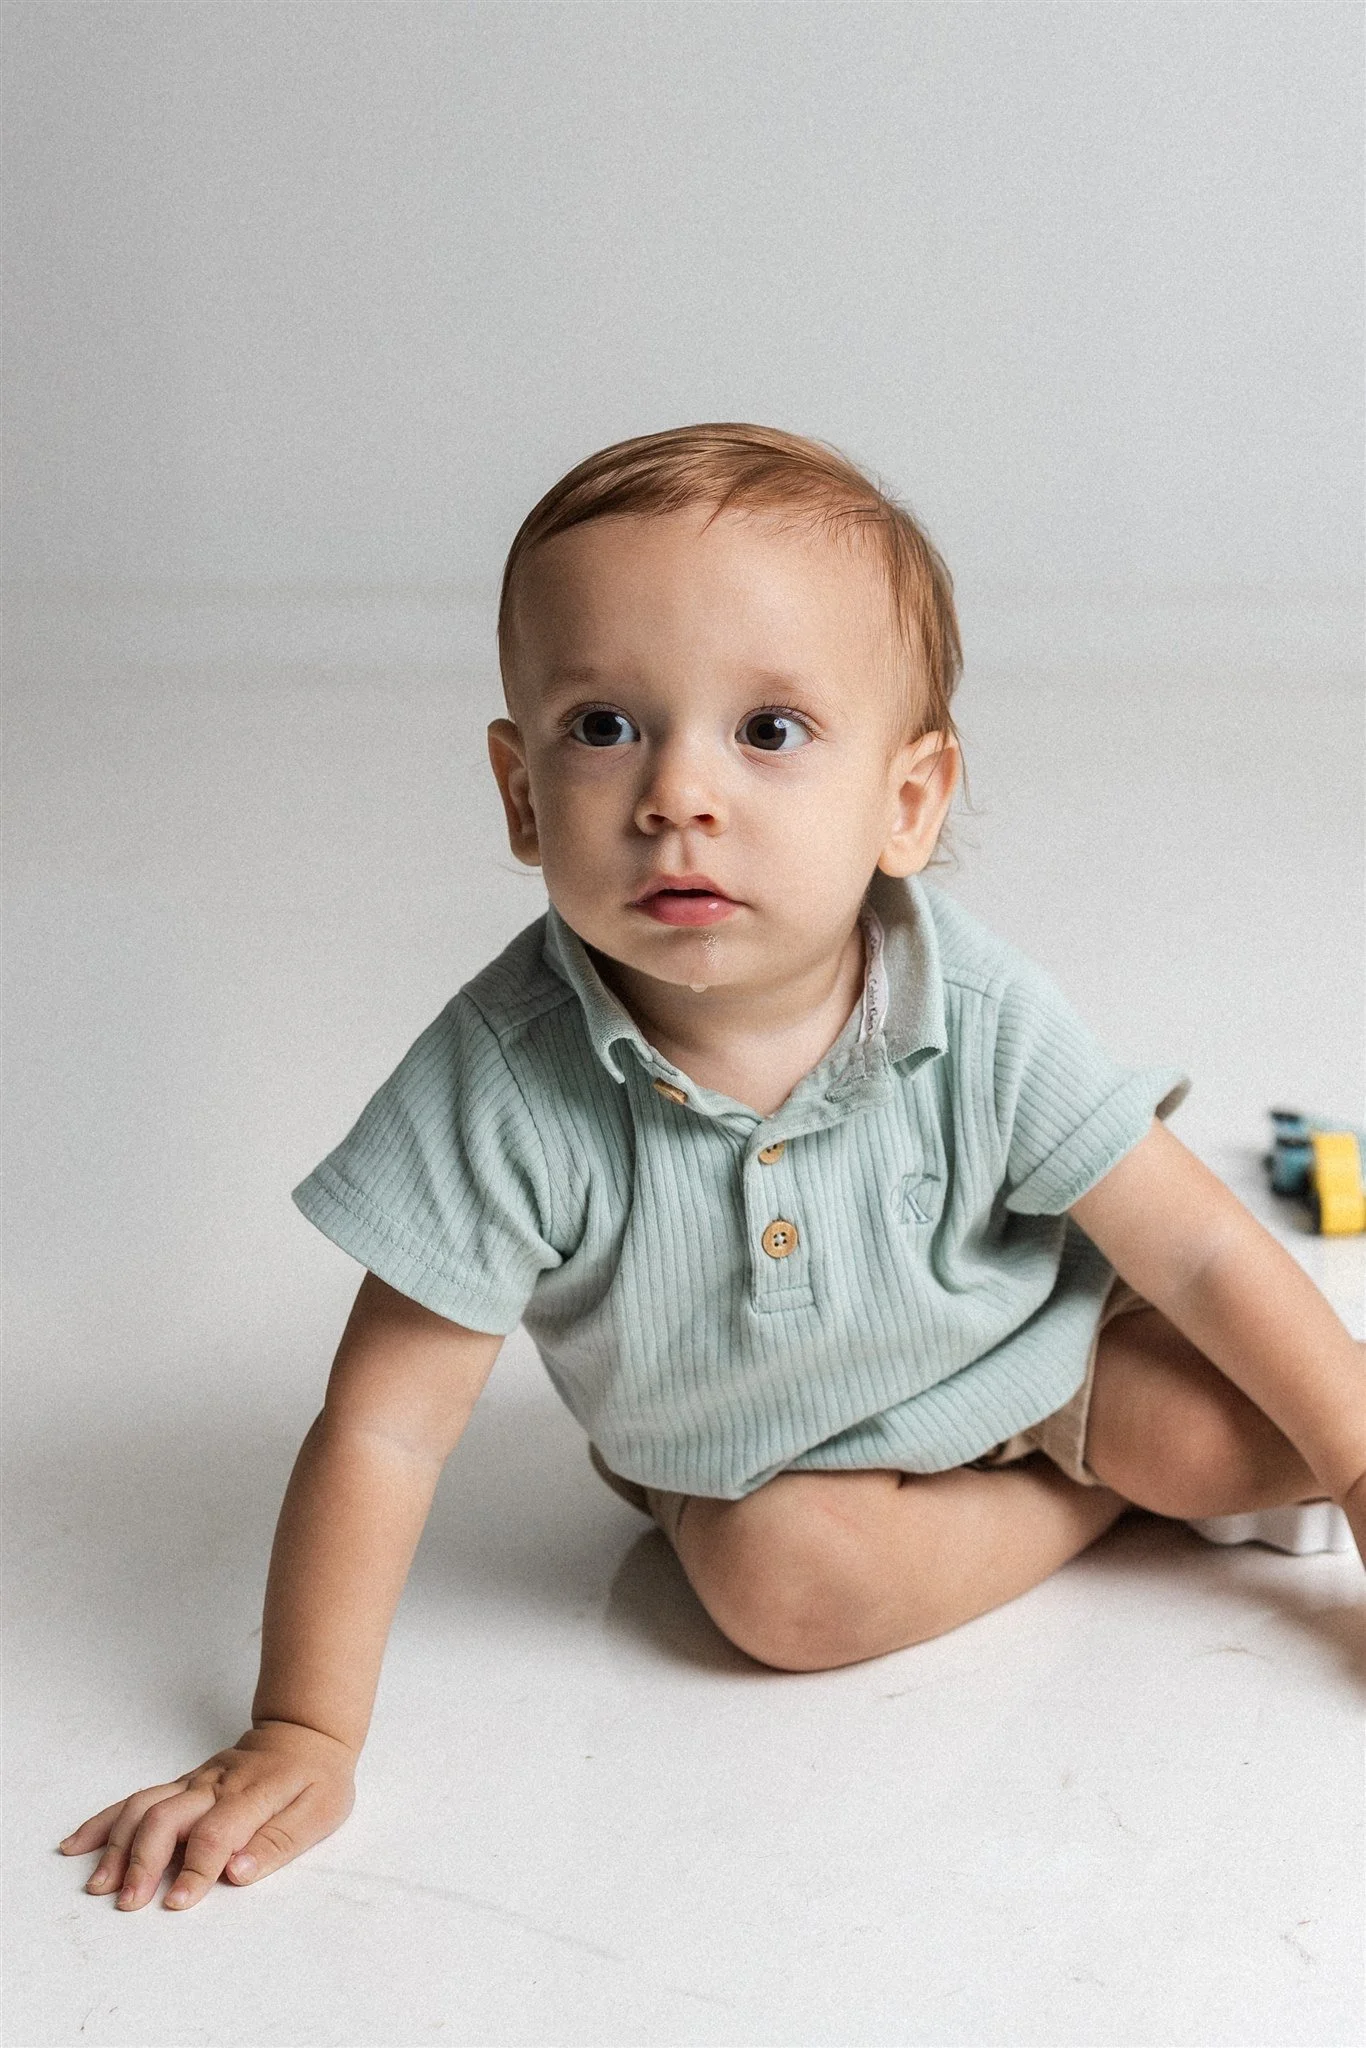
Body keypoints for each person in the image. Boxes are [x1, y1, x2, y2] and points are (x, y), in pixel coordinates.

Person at [60, 423, 1366, 1914]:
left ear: (909, 801)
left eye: (768, 731)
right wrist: (304, 1724)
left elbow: (1192, 1255)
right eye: (604, 726)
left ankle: (1179, 1454)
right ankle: (1108, 1507)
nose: (679, 792)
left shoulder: (977, 1010)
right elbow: (384, 1430)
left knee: (1250, 1418)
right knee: (776, 1596)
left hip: (1040, 1350)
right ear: (518, 791)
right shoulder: (504, 1078)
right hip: (764, 1462)